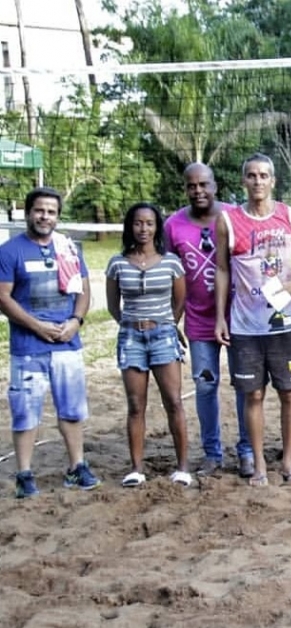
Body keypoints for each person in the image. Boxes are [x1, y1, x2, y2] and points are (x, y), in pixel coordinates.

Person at [214, 153, 291, 487]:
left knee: (289, 393)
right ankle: (259, 466)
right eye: (252, 176)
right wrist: (220, 317)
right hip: (245, 325)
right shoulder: (227, 220)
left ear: (273, 180)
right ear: (244, 181)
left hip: (285, 322)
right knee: (253, 395)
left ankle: (287, 462)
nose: (258, 181)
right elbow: (222, 269)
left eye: (264, 175)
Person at [0, 186, 101, 498]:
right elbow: (3, 297)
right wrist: (37, 327)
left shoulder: (68, 248)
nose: (45, 216)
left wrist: (76, 321)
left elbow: (83, 292)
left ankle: (76, 467)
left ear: (58, 216)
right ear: (29, 212)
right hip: (28, 348)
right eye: (40, 210)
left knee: (71, 410)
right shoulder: (10, 251)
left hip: (67, 344)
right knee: (25, 410)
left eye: (51, 212)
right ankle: (24, 474)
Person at [164, 163, 252, 478]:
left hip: (240, 318)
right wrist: (170, 318)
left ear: (215, 185)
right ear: (185, 188)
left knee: (245, 385)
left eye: (204, 184)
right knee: (205, 385)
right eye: (192, 186)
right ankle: (212, 453)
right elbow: (169, 273)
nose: (198, 191)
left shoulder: (234, 216)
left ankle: (247, 451)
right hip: (198, 321)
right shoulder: (173, 226)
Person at [106, 202, 191, 487]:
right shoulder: (118, 262)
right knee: (135, 405)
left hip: (164, 336)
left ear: (157, 228)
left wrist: (168, 323)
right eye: (138, 223)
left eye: (149, 223)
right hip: (131, 337)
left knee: (174, 402)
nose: (144, 229)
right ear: (130, 226)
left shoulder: (171, 262)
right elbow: (112, 305)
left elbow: (180, 300)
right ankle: (136, 469)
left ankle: (182, 467)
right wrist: (130, 324)